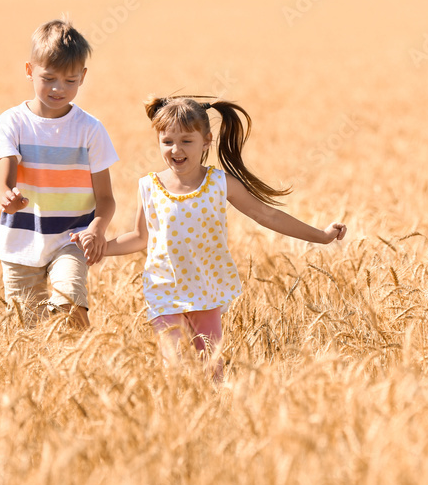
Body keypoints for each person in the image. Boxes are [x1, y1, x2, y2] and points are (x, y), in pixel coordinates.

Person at [92, 96, 345, 381]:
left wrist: (321, 236)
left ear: (207, 140)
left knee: (212, 372)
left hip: (206, 292)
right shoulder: (149, 186)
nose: (176, 149)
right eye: (167, 141)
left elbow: (267, 216)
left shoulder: (219, 183)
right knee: (173, 371)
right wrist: (100, 249)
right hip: (163, 293)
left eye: (187, 141)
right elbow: (140, 238)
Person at [0, 19, 118, 329]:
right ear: (29, 70)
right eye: (48, 78)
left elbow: (105, 199)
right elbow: (2, 185)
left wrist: (97, 230)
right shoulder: (12, 122)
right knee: (27, 331)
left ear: (83, 77)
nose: (58, 88)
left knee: (70, 305)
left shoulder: (90, 129)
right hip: (22, 240)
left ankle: (84, 369)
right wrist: (6, 197)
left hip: (70, 239)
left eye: (70, 80)